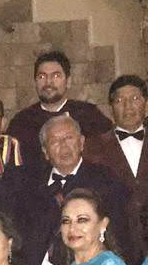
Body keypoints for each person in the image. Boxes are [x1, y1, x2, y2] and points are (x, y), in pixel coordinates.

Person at [83, 74, 148, 265]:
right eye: (120, 100)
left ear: (147, 103)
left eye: (134, 99)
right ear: (111, 108)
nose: (128, 106)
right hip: (113, 246)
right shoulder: (93, 148)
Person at [11, 113, 121, 265]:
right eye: (54, 141)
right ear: (45, 152)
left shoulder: (106, 181)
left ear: (81, 142)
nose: (63, 146)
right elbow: (18, 235)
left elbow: (119, 235)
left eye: (69, 138)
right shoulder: (28, 186)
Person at [6, 50, 111, 178]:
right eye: (42, 77)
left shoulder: (89, 115)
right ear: (35, 82)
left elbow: (108, 156)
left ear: (68, 81)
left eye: (56, 76)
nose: (48, 82)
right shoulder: (21, 123)